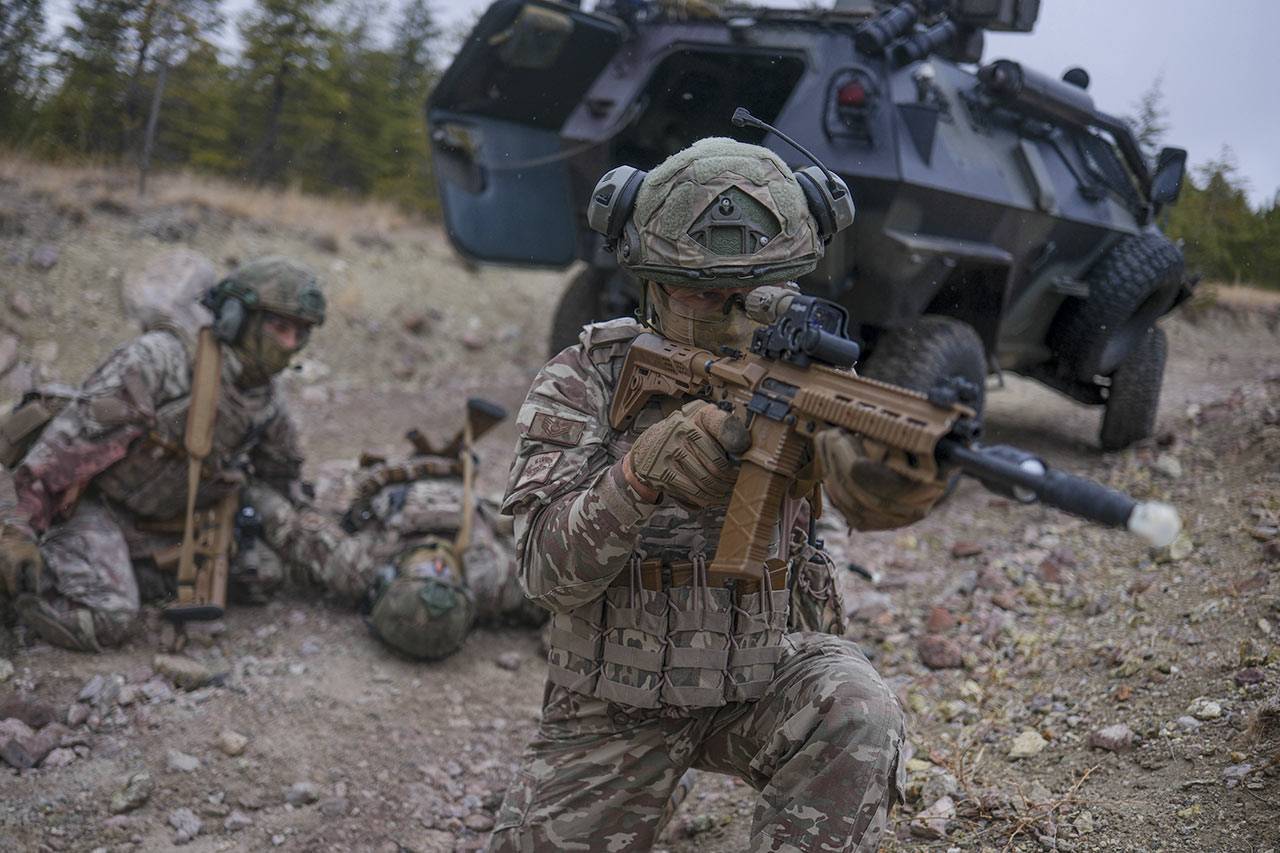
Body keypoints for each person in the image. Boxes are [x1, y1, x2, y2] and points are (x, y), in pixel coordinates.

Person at [489, 138, 951, 851]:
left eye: (758, 294)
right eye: (702, 293)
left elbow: (871, 497)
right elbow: (545, 574)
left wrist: (895, 475)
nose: (735, 320)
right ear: (649, 281)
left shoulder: (802, 383)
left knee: (861, 711)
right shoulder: (588, 380)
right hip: (618, 698)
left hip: (764, 677)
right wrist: (637, 474)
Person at [0, 256, 324, 652]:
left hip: (159, 519)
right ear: (237, 318)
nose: (290, 345)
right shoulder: (164, 360)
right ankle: (26, 586)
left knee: (262, 575)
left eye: (301, 333)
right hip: (92, 503)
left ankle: (118, 568)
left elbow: (281, 475)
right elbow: (63, 449)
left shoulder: (266, 399)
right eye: (280, 327)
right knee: (110, 617)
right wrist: (18, 529)